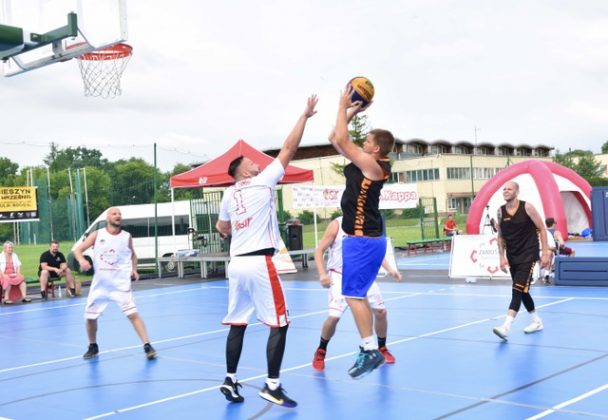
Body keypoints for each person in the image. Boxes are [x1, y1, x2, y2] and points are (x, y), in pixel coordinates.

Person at [215, 95, 318, 408]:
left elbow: (222, 228)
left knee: (237, 323)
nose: (256, 162)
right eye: (250, 163)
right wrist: (305, 115)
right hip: (260, 262)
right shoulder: (263, 181)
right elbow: (289, 148)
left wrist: (241, 228)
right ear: (243, 172)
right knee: (280, 323)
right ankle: (272, 385)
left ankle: (230, 379)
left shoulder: (229, 195)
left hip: (236, 264)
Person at [327, 86, 395, 379]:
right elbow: (335, 139)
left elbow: (342, 138)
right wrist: (351, 111)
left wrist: (343, 104)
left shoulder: (373, 165)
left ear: (375, 149)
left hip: (361, 240)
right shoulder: (364, 161)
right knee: (359, 296)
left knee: (353, 296)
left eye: (366, 140)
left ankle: (370, 350)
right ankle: (369, 348)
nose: (363, 141)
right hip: (367, 241)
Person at [312, 216, 402, 371]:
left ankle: (381, 348)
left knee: (381, 312)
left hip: (362, 275)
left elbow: (374, 252)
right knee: (334, 318)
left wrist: (390, 269)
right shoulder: (337, 225)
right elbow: (319, 250)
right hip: (339, 276)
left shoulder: (367, 224)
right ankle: (321, 350)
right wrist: (322, 274)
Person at [73, 207, 157, 360]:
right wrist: (82, 260)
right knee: (90, 317)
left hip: (120, 284)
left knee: (132, 314)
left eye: (119, 214)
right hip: (101, 284)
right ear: (108, 218)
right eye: (114, 213)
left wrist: (134, 270)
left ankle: (147, 345)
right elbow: (77, 250)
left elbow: (133, 255)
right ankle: (93, 345)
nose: (118, 215)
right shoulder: (97, 234)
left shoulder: (126, 236)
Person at [492, 181, 551, 340]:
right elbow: (500, 236)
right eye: (504, 189)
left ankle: (506, 327)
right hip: (513, 256)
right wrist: (501, 257)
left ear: (517, 192)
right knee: (523, 291)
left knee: (516, 290)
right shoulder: (500, 212)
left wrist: (545, 252)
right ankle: (537, 321)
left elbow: (543, 229)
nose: (505, 191)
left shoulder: (527, 208)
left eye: (509, 189)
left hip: (528, 255)